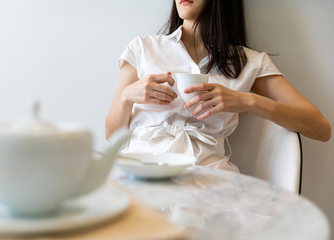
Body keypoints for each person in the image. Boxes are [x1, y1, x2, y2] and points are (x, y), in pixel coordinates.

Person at [105, 0, 331, 172]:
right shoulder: (143, 48)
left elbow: (321, 128)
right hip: (144, 172)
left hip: (209, 181)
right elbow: (111, 134)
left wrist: (246, 101)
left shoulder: (251, 62)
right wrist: (127, 96)